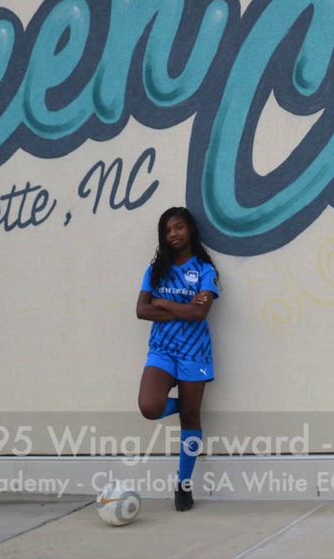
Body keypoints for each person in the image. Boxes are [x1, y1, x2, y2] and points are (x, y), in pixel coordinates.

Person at [135, 206, 219, 511]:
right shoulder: (156, 269)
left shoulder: (205, 270)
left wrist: (163, 302)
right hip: (162, 350)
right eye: (168, 230)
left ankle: (184, 485)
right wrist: (183, 308)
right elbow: (141, 310)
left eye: (179, 227)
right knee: (150, 407)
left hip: (195, 352)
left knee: (190, 418)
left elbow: (200, 313)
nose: (173, 233)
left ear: (190, 229)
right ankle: (186, 406)